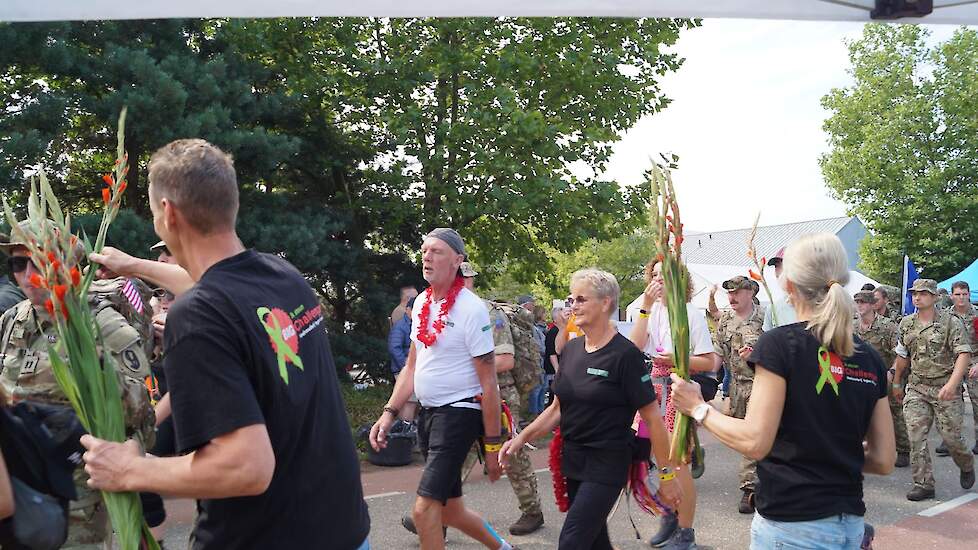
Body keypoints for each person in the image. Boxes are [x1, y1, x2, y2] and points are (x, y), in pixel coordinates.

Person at [79, 139, 371, 549]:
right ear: (229, 202)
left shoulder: (197, 316)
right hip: (344, 532)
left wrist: (132, 470)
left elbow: (245, 468)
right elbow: (211, 285)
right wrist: (129, 265)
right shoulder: (281, 274)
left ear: (168, 213)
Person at [671, 233, 895, 549]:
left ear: (788, 284)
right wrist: (833, 454)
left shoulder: (780, 345)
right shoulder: (869, 357)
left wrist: (697, 408)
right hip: (850, 525)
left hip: (793, 525)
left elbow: (754, 441)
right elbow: (884, 459)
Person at [0, 221, 156, 550]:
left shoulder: (100, 325)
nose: (28, 275)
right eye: (17, 263)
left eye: (39, 262)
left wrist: (94, 367)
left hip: (77, 508)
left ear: (67, 263)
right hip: (20, 495)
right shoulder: (11, 321)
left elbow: (143, 418)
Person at [501, 268, 682, 550]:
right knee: (595, 542)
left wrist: (667, 476)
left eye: (581, 299)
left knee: (572, 542)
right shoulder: (572, 350)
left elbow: (652, 420)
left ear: (606, 302)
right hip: (573, 460)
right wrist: (520, 438)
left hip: (608, 463)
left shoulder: (625, 355)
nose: (573, 305)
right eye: (572, 299)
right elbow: (557, 408)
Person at [369, 228, 513, 550]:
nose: (427, 256)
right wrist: (389, 414)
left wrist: (492, 448)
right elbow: (410, 367)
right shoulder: (421, 303)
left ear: (457, 260)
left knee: (424, 511)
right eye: (424, 251)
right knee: (452, 509)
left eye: (436, 251)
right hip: (429, 413)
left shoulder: (471, 309)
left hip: (459, 412)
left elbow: (489, 382)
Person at [627, 259, 718, 549]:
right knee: (654, 461)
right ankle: (669, 513)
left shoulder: (691, 313)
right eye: (653, 275)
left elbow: (708, 361)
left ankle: (685, 530)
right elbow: (635, 347)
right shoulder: (651, 311)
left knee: (678, 462)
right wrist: (645, 305)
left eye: (664, 275)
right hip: (654, 388)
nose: (658, 280)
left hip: (680, 388)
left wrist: (677, 361)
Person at [892, 278, 975, 501]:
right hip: (917, 388)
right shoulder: (906, 323)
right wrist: (897, 381)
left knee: (951, 439)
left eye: (923, 293)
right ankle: (924, 483)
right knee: (915, 436)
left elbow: (963, 355)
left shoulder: (951, 322)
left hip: (944, 389)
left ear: (935, 297)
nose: (917, 297)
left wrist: (952, 384)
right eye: (914, 294)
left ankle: (966, 464)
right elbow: (902, 355)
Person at [713, 275, 765, 514]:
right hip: (737, 387)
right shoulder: (725, 320)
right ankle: (754, 484)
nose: (731, 297)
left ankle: (749, 489)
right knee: (747, 439)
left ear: (750, 293)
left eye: (736, 292)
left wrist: (756, 357)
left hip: (763, 385)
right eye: (729, 293)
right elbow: (717, 356)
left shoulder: (766, 317)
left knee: (758, 436)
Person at [853, 290, 909, 467]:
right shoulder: (851, 326)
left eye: (863, 302)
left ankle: (903, 450)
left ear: (872, 305)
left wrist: (892, 373)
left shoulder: (888, 326)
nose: (860, 305)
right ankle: (856, 448)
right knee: (857, 412)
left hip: (885, 374)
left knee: (894, 411)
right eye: (857, 302)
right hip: (860, 376)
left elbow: (900, 352)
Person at [946, 281, 978, 456]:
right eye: (957, 294)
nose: (961, 297)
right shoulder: (944, 316)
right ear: (951, 296)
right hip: (953, 363)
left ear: (969, 295)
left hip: (974, 361)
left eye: (964, 294)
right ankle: (951, 440)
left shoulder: (977, 315)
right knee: (951, 403)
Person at [763, 254, 797, 330]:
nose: (778, 272)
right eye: (776, 266)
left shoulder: (820, 303)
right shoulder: (772, 309)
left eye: (784, 265)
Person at [528, 304, 549, 416]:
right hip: (539, 360)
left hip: (544, 360)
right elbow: (537, 346)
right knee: (537, 387)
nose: (546, 315)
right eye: (544, 313)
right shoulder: (535, 329)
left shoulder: (545, 328)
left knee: (544, 386)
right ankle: (534, 412)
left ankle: (541, 411)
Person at [389, 296, 415, 378]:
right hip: (403, 370)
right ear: (408, 310)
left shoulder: (416, 324)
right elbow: (394, 348)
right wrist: (406, 366)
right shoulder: (400, 327)